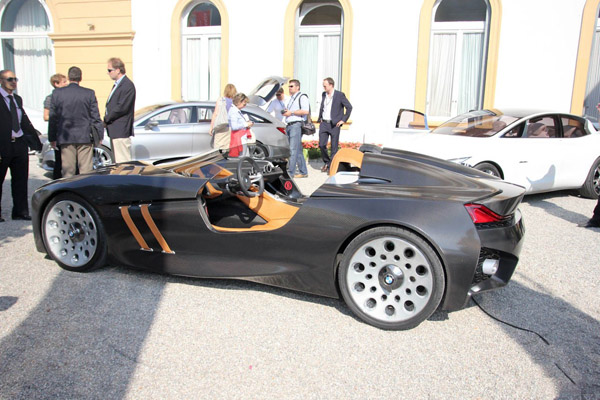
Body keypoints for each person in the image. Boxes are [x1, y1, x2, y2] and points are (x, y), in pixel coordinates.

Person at [49, 66, 103, 179]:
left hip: (66, 136)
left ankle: (70, 194)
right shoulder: (89, 93)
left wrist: (52, 138)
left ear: (69, 77)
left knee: (68, 172)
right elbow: (95, 116)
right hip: (84, 136)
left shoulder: (57, 93)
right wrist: (99, 135)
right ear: (81, 78)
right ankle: (86, 193)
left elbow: (53, 117)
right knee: (86, 171)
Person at [0, 69, 37, 221]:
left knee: (21, 180)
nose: (13, 82)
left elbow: (22, 120)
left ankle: (20, 211)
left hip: (19, 144)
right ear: (2, 81)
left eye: (15, 79)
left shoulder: (17, 99)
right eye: (10, 79)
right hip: (3, 144)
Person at [317, 77, 352, 172]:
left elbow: (349, 107)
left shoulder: (339, 95)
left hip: (334, 124)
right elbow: (322, 107)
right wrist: (320, 118)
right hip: (324, 123)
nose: (323, 87)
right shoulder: (324, 94)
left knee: (334, 146)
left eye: (325, 85)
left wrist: (343, 120)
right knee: (322, 145)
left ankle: (331, 166)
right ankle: (327, 162)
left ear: (331, 85)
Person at [104, 57, 136, 163]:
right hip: (115, 130)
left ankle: (126, 180)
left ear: (118, 70)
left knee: (123, 161)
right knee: (118, 161)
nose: (108, 73)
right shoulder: (118, 85)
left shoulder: (127, 85)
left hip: (121, 129)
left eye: (110, 70)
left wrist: (107, 119)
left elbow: (121, 107)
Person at [282, 79, 309, 178]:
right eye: (289, 86)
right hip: (290, 124)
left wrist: (291, 112)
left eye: (291, 86)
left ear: (297, 87)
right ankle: (303, 171)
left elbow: (306, 111)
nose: (289, 88)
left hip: (296, 124)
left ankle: (290, 172)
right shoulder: (291, 98)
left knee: (292, 150)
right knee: (297, 150)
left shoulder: (302, 97)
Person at [43, 73, 68, 179]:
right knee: (59, 161)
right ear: (56, 84)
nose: (67, 83)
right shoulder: (50, 98)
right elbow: (46, 116)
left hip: (68, 132)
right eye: (64, 82)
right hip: (58, 133)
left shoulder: (67, 96)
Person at [210, 83, 237, 153]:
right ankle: (225, 161)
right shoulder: (235, 102)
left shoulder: (221, 100)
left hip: (221, 125)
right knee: (227, 147)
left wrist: (211, 127)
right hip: (230, 127)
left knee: (218, 147)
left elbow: (215, 114)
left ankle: (219, 162)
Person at [228, 93, 254, 158]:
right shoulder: (234, 111)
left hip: (241, 138)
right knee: (242, 157)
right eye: (244, 104)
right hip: (239, 139)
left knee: (244, 156)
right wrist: (246, 124)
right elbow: (234, 126)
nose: (244, 106)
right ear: (239, 102)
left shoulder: (236, 111)